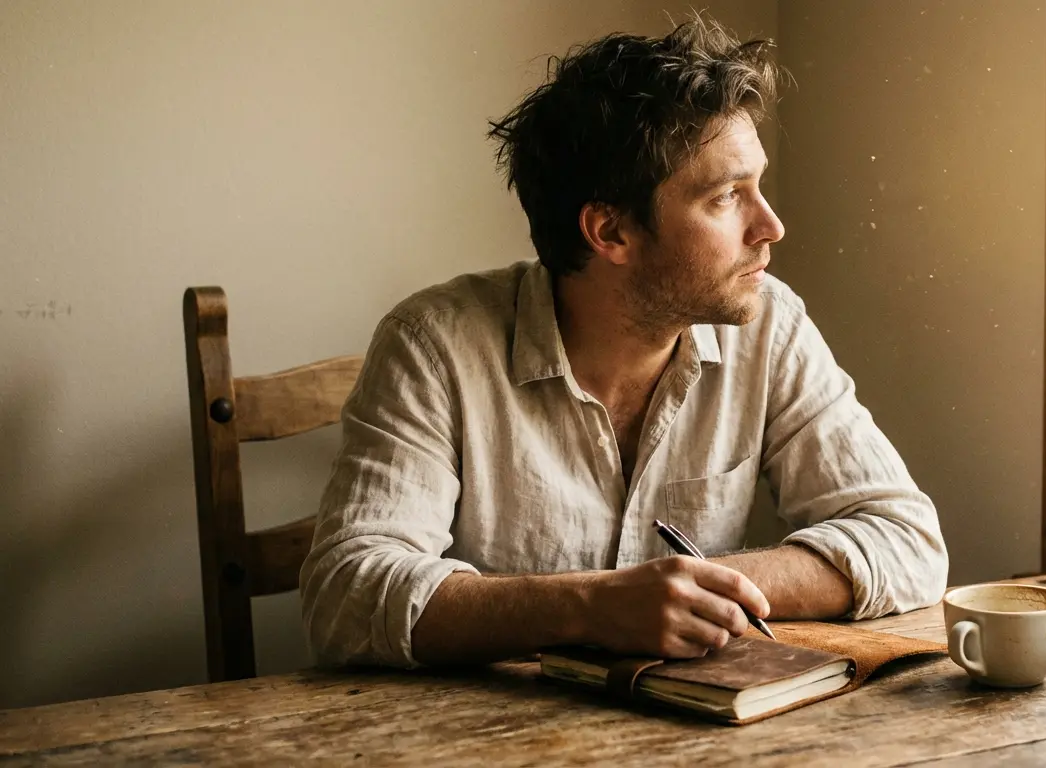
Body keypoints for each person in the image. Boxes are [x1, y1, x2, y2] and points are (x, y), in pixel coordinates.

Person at [299, 13, 948, 670]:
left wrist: (704, 592)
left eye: (759, 185)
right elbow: (347, 595)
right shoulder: (434, 347)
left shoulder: (770, 326)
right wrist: (591, 606)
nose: (771, 226)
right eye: (728, 197)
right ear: (611, 233)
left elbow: (906, 540)